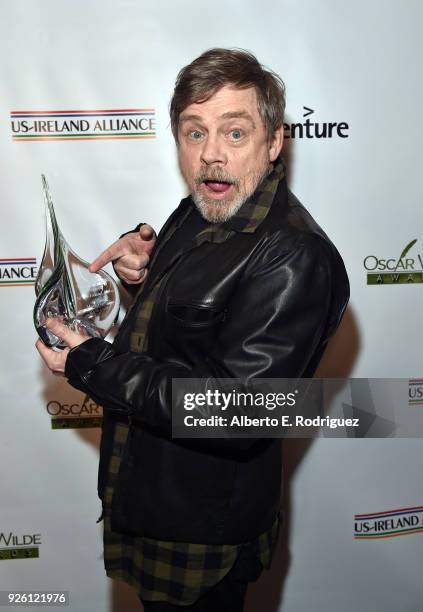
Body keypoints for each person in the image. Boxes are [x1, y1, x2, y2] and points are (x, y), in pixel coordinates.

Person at [36, 48, 350, 611]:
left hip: (203, 535)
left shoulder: (294, 255)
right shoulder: (203, 207)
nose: (211, 156)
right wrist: (141, 277)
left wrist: (91, 363)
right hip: (151, 499)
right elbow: (197, 327)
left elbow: (237, 412)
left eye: (235, 133)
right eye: (194, 132)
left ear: (274, 142)